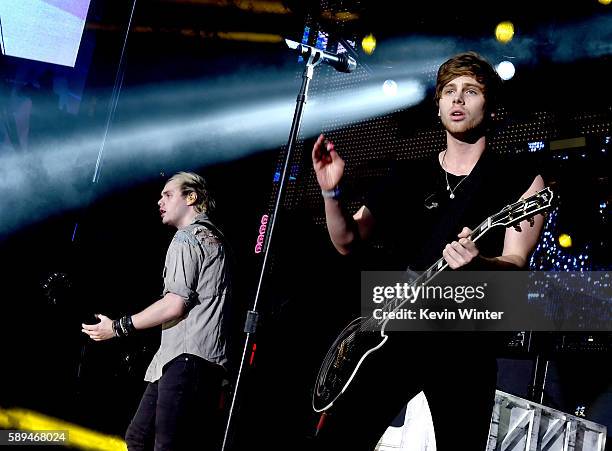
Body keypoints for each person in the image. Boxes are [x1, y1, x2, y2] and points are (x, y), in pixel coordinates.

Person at [310, 51, 545, 450]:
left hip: (465, 339)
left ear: (489, 107)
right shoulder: (407, 175)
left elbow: (516, 262)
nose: (457, 100)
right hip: (395, 331)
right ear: (437, 106)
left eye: (470, 91)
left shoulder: (520, 179)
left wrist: (479, 264)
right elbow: (347, 240)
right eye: (449, 92)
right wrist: (331, 193)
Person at [82, 171, 232, 451]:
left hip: (187, 359)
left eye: (168, 194)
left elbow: (175, 304)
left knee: (164, 445)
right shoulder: (215, 238)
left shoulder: (186, 238)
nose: (159, 201)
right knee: (138, 437)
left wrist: (117, 327)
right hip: (187, 359)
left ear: (191, 197)